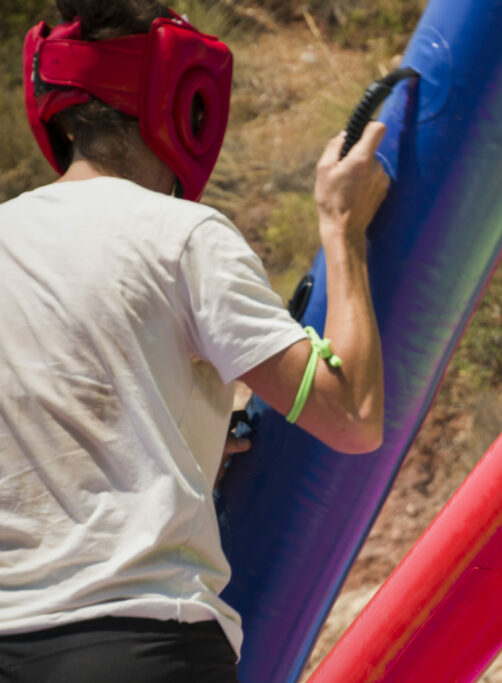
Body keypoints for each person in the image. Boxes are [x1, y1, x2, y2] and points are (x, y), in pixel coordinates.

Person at [0, 1, 388, 680]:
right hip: (144, 644)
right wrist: (343, 231)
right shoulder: (182, 236)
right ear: (183, 96)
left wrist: (188, 445)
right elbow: (351, 416)